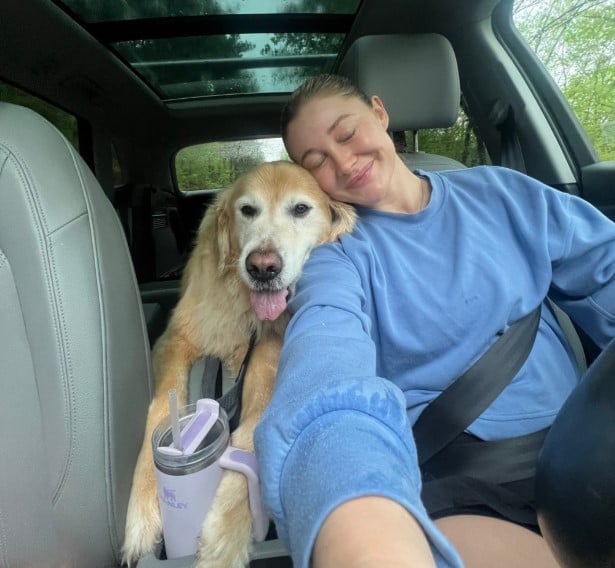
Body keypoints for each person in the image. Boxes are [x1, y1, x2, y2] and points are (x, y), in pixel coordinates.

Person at [253, 74, 615, 567]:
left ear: (380, 114)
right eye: (315, 161)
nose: (342, 162)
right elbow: (324, 361)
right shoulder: (334, 255)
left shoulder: (503, 193)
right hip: (466, 485)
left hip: (590, 444)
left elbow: (606, 272)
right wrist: (355, 510)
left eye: (346, 133)